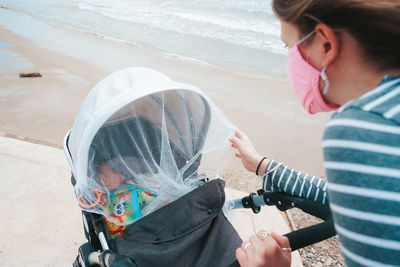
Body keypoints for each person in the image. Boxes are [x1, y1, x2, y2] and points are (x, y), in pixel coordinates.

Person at [230, 0, 400, 266]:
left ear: (326, 44)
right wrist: (264, 166)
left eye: (289, 47)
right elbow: (354, 196)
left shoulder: (364, 128)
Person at [97, 161, 157, 239]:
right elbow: (155, 200)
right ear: (104, 181)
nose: (120, 172)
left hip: (122, 242)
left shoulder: (100, 202)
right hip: (144, 234)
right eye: (113, 170)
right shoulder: (135, 192)